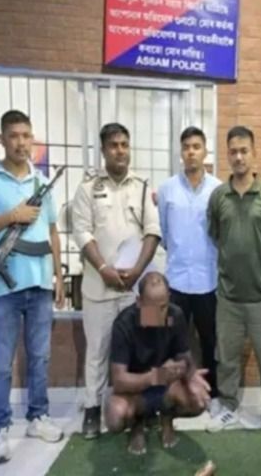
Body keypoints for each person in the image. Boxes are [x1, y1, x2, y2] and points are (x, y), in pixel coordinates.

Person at [0, 109, 65, 464]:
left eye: (26, 135)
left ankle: (38, 416)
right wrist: (11, 216)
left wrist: (59, 277)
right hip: (5, 288)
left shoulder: (41, 181)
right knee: (1, 363)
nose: (21, 142)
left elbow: (52, 230)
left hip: (40, 283)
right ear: (2, 139)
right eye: (14, 136)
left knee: (40, 356)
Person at [72, 123, 161, 439]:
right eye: (113, 145)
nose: (120, 150)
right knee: (97, 353)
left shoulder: (142, 186)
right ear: (103, 150)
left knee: (144, 351)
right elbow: (81, 232)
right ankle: (92, 410)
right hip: (99, 288)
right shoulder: (87, 188)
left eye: (124, 144)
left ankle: (143, 409)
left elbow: (152, 231)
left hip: (136, 291)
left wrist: (137, 271)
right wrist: (102, 267)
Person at [206, 126, 261, 441]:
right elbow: (216, 235)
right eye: (233, 151)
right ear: (227, 155)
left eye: (244, 151)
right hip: (228, 296)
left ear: (253, 153)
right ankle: (228, 406)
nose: (239, 157)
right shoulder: (219, 197)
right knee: (227, 357)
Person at [105, 272, 211, 455]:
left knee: (198, 399)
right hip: (135, 392)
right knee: (115, 416)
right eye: (152, 308)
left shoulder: (174, 315)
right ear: (139, 302)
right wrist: (157, 376)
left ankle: (167, 417)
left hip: (166, 388)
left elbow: (184, 356)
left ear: (168, 298)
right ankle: (137, 423)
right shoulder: (124, 324)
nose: (159, 314)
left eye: (163, 307)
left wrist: (190, 374)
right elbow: (119, 381)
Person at [157, 126, 222, 413]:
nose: (191, 152)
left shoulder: (218, 190)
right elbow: (163, 232)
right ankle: (176, 397)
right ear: (180, 152)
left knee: (210, 342)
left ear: (205, 151)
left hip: (209, 281)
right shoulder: (167, 189)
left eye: (196, 146)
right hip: (177, 281)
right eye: (186, 147)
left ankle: (212, 397)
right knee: (174, 343)